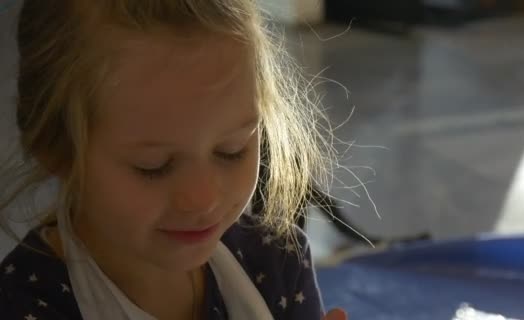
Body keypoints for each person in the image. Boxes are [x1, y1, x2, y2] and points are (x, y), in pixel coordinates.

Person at [0, 1, 347, 319]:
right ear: (55, 149)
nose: (203, 200)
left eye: (231, 150)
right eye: (154, 166)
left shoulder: (275, 260)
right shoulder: (26, 303)